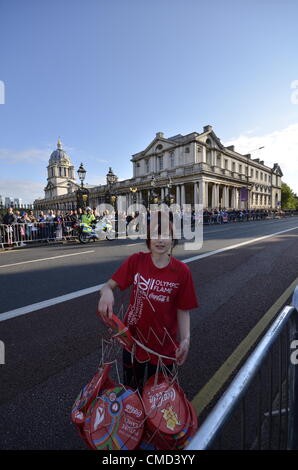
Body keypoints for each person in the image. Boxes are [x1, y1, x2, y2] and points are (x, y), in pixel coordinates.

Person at [97, 211, 198, 390]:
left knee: (158, 404)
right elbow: (108, 286)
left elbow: (183, 309)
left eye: (166, 235)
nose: (160, 240)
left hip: (164, 351)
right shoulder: (136, 261)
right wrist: (106, 292)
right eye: (155, 234)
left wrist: (186, 339)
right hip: (133, 345)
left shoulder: (182, 271)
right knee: (132, 395)